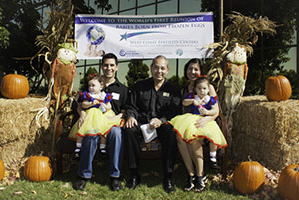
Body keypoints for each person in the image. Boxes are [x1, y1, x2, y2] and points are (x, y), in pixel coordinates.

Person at [124, 55, 181, 193]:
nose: (159, 71)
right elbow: (131, 106)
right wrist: (131, 116)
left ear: (167, 70)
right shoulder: (140, 86)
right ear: (151, 68)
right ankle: (134, 174)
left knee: (171, 133)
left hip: (162, 123)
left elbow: (175, 111)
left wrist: (161, 121)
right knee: (130, 130)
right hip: (142, 122)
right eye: (156, 67)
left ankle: (168, 176)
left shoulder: (173, 89)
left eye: (162, 68)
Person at [168, 58, 227, 192]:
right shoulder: (184, 90)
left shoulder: (208, 87)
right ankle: (191, 174)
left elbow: (216, 110)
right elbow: (184, 108)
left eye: (196, 69)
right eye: (190, 69)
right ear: (186, 71)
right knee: (181, 139)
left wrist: (206, 119)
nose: (192, 72)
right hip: (189, 122)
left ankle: (200, 176)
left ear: (201, 71)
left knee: (193, 140)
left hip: (205, 122)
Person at [73, 53, 128, 191]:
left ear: (116, 67)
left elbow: (126, 110)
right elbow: (80, 104)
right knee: (91, 134)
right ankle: (83, 175)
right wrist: (82, 113)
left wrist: (117, 117)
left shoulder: (123, 89)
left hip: (111, 122)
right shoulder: (92, 85)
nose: (108, 68)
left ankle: (115, 176)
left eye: (111, 65)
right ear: (102, 66)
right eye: (106, 65)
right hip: (93, 120)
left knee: (116, 133)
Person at [68, 74, 123, 159]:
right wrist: (90, 104)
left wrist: (104, 105)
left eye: (93, 85)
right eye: (89, 85)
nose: (91, 88)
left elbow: (109, 106)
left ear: (101, 86)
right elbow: (83, 104)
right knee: (82, 129)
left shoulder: (104, 95)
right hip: (91, 117)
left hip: (102, 117)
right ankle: (78, 147)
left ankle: (102, 148)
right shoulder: (89, 95)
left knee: (104, 131)